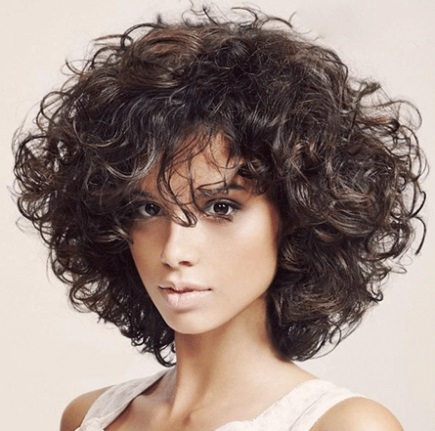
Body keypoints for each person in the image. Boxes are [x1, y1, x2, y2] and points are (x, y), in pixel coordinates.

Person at [12, 6, 425, 431]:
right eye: (148, 208)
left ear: (298, 215)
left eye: (220, 207)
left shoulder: (344, 426)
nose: (174, 250)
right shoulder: (90, 416)